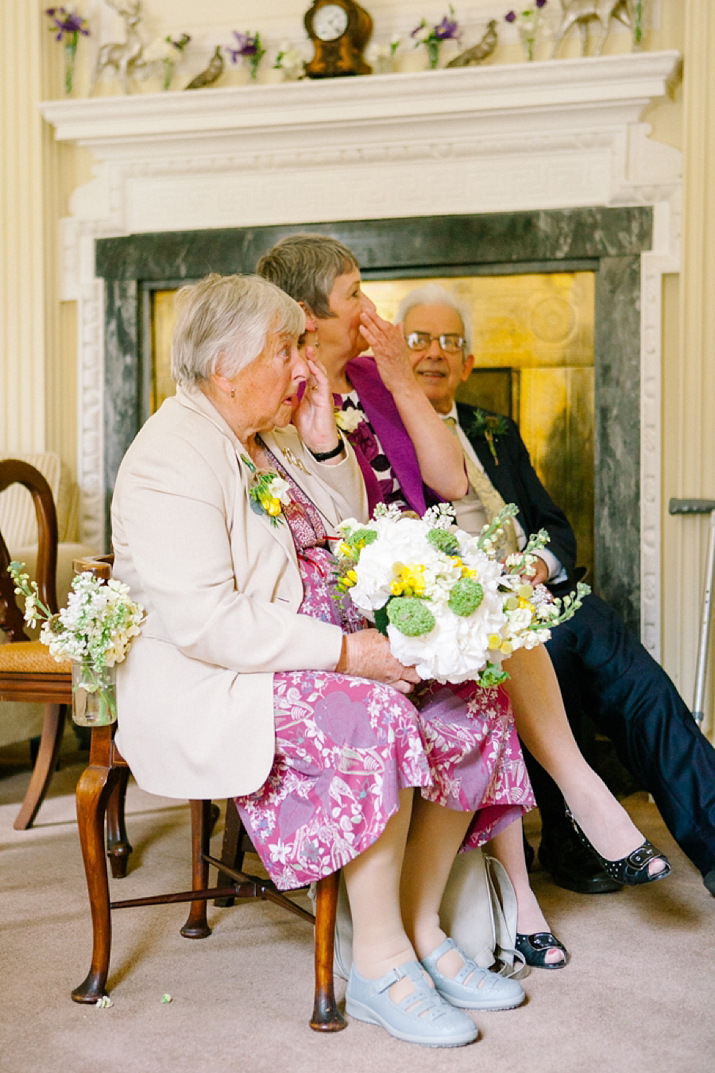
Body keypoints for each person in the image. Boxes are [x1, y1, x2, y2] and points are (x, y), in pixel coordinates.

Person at [111, 272, 537, 1049]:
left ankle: (419, 927)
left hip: (310, 649)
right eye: (286, 350)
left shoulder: (264, 432)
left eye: (302, 345)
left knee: (475, 691)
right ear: (225, 367)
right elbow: (209, 622)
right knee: (372, 712)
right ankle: (377, 966)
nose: (305, 365)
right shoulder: (169, 458)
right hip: (224, 680)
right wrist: (352, 652)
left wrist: (319, 437)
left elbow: (349, 529)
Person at [256, 235, 671, 969]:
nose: (371, 309)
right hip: (362, 592)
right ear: (306, 312)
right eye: (355, 293)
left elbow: (447, 480)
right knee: (493, 636)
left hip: (426, 572)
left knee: (497, 635)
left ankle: (544, 850)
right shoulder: (275, 397)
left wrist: (396, 379)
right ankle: (560, 832)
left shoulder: (371, 377)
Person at [394, 280, 715, 899]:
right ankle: (573, 840)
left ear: (468, 363)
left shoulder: (494, 428)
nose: (434, 352)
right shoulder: (385, 438)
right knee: (553, 673)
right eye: (419, 339)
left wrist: (538, 568)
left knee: (644, 687)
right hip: (481, 611)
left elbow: (551, 524)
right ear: (397, 359)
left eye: (449, 342)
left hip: (547, 592)